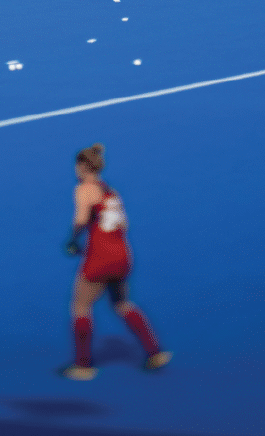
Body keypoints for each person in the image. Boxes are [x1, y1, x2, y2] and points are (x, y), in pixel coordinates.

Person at [59, 143, 169, 379]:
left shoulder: (84, 189)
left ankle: (82, 365)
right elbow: (124, 224)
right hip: (122, 254)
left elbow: (80, 219)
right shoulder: (111, 192)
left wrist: (72, 240)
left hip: (100, 257)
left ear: (82, 166)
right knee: (122, 304)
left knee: (80, 306)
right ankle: (155, 352)